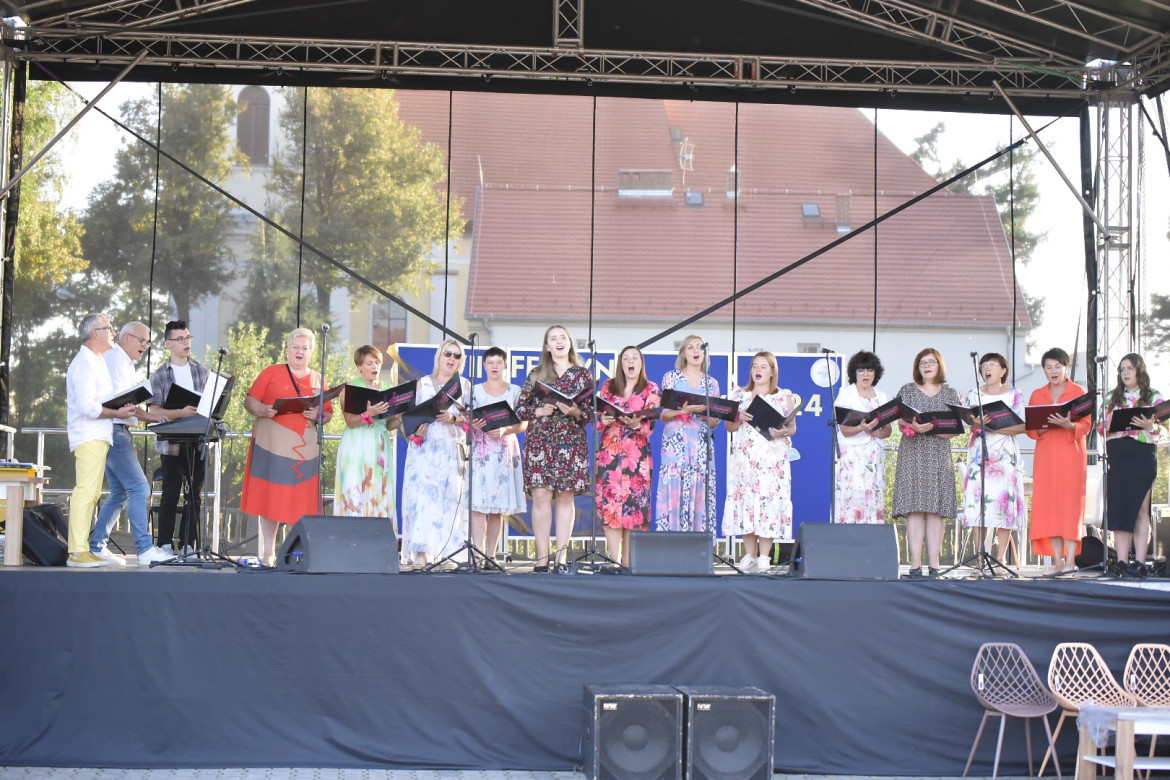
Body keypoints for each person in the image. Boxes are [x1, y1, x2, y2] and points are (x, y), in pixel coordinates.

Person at [63, 314, 160, 567]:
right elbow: (87, 406)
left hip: (101, 434)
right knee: (86, 492)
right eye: (109, 328)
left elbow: (101, 401)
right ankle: (77, 552)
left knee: (94, 492)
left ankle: (87, 548)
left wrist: (121, 409)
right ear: (95, 333)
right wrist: (118, 413)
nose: (113, 333)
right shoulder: (85, 363)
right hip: (90, 434)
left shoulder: (95, 361)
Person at [240, 327, 334, 565]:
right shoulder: (271, 372)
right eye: (296, 347)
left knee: (301, 499)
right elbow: (249, 401)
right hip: (270, 445)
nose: (300, 351)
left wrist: (318, 414)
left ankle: (294, 553)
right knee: (270, 497)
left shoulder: (319, 379)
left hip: (304, 451)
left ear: (311, 352)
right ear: (288, 349)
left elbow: (327, 414)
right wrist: (261, 409)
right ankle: (268, 553)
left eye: (305, 348)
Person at [87, 321, 171, 566]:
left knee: (120, 492)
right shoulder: (115, 360)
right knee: (139, 488)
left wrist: (146, 415)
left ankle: (96, 546)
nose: (145, 346)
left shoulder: (124, 363)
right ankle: (144, 550)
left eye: (148, 342)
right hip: (114, 431)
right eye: (141, 340)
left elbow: (126, 404)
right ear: (125, 338)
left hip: (113, 431)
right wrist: (148, 416)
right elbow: (119, 404)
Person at [515, 325, 592, 572]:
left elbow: (590, 413)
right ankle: (541, 559)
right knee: (541, 496)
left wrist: (576, 411)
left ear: (569, 343)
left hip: (570, 441)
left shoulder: (582, 375)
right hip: (540, 441)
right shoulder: (536, 373)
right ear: (547, 346)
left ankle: (561, 558)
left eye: (563, 337)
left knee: (566, 497)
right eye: (553, 338)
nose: (559, 342)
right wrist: (538, 411)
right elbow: (519, 410)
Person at [891, 348, 963, 577]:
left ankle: (934, 564)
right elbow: (899, 420)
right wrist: (912, 426)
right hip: (912, 453)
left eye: (932, 362)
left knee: (936, 510)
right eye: (922, 363)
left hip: (938, 454)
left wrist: (934, 430)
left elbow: (956, 429)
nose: (927, 366)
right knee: (914, 509)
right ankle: (914, 565)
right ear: (917, 367)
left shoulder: (950, 393)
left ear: (939, 365)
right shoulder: (907, 390)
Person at [400, 338, 471, 568]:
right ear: (439, 357)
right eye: (448, 354)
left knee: (451, 500)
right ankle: (421, 553)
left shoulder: (465, 386)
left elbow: (473, 420)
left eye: (457, 356)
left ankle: (450, 555)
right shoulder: (422, 384)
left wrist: (454, 418)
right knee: (423, 499)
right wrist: (416, 430)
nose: (452, 358)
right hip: (425, 449)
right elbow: (406, 419)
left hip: (451, 448)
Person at [723, 351, 796, 574]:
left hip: (772, 461)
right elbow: (729, 427)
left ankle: (764, 556)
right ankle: (750, 555)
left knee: (768, 502)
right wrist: (739, 416)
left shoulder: (783, 396)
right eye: (755, 366)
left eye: (763, 367)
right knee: (746, 501)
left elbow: (792, 428)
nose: (758, 370)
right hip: (745, 460)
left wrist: (782, 432)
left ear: (772, 371)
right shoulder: (739, 395)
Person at [147, 319, 210, 556]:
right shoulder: (159, 375)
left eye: (188, 337)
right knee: (170, 493)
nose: (186, 342)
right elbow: (154, 410)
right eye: (180, 339)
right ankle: (164, 544)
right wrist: (180, 413)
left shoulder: (201, 371)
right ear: (168, 343)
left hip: (197, 442)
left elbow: (210, 405)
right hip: (171, 443)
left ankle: (187, 544)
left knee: (194, 495)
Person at [1026, 347, 1090, 575]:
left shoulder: (1078, 392)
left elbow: (1087, 425)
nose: (1053, 371)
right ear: (1043, 369)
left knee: (1070, 507)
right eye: (1048, 367)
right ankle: (1058, 561)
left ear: (1066, 367)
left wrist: (1068, 425)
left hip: (1071, 457)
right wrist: (1041, 428)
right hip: (1045, 457)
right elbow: (1030, 429)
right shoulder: (1037, 395)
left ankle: (1071, 561)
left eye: (1058, 366)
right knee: (1049, 507)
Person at [595, 346, 660, 567]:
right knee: (611, 507)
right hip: (610, 453)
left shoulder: (651, 388)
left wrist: (636, 425)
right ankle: (614, 562)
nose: (630, 362)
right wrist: (602, 420)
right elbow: (598, 419)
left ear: (641, 363)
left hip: (637, 456)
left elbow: (650, 425)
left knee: (634, 508)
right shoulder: (608, 386)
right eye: (626, 358)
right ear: (620, 364)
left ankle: (629, 565)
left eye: (635, 358)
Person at [960, 352, 1027, 562]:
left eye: (992, 365)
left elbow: (1023, 426)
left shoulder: (1014, 394)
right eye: (983, 366)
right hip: (980, 454)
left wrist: (994, 427)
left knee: (1004, 504)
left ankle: (1000, 558)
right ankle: (981, 558)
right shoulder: (974, 394)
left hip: (1005, 456)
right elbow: (970, 427)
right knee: (978, 504)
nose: (987, 369)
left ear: (1003, 370)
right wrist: (976, 425)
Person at [1102, 352, 1164, 577]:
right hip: (1118, 456)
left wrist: (1150, 426)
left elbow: (1165, 428)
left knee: (1140, 509)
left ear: (1140, 370)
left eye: (1130, 368)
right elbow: (1099, 427)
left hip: (1142, 456)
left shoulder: (1153, 396)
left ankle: (1139, 562)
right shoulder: (1112, 397)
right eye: (1122, 369)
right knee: (1120, 509)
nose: (1125, 373)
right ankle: (1121, 561)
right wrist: (1109, 424)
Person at [656, 334, 720, 533]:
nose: (695, 351)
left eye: (699, 347)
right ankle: (671, 543)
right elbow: (663, 414)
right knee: (674, 490)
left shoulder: (711, 383)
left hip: (700, 446)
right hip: (675, 446)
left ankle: (698, 544)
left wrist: (703, 413)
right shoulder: (671, 377)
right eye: (690, 347)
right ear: (683, 353)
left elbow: (714, 422)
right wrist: (683, 411)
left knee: (699, 492)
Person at [468, 347, 526, 560]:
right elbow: (465, 421)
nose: (494, 366)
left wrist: (505, 430)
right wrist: (473, 425)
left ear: (505, 365)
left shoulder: (514, 391)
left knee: (497, 508)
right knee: (477, 506)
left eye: (498, 362)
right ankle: (477, 553)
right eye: (490, 362)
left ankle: (490, 556)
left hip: (504, 452)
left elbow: (524, 423)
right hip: (480, 451)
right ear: (484, 366)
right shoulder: (474, 391)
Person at [335, 345, 400, 519]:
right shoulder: (350, 389)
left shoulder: (388, 389)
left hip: (379, 446)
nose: (375, 367)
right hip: (355, 445)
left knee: (378, 491)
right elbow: (350, 421)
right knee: (354, 488)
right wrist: (368, 413)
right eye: (369, 363)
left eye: (377, 363)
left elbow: (388, 425)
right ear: (359, 366)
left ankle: (378, 532)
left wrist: (401, 417)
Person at [834, 350, 892, 525]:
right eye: (861, 370)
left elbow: (888, 430)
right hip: (852, 457)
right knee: (852, 498)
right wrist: (861, 427)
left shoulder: (882, 396)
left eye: (869, 370)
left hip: (874, 457)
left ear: (876, 373)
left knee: (872, 498)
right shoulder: (846, 393)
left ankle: (871, 537)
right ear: (854, 373)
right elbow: (843, 429)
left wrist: (875, 432)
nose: (865, 374)